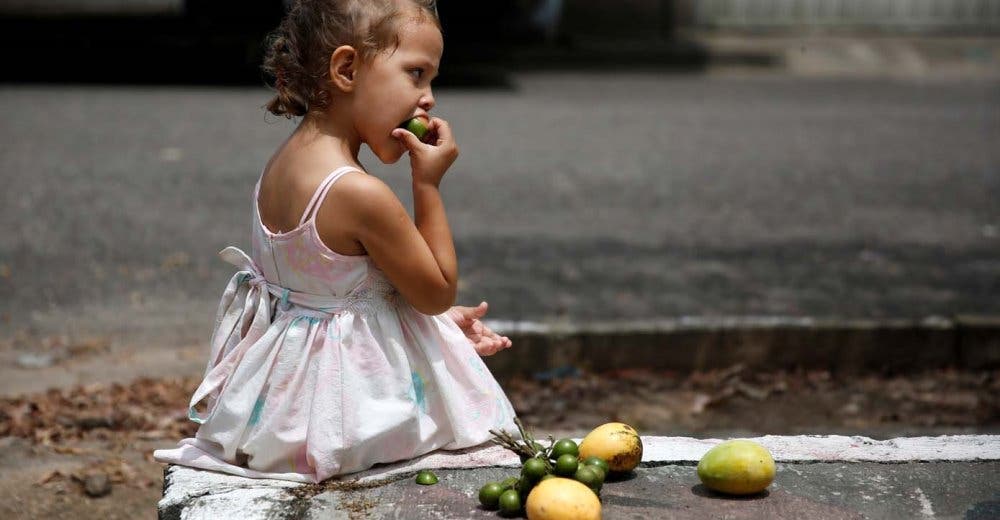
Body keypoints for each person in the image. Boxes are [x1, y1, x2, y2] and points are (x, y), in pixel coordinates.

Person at [154, 0, 517, 483]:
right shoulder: (359, 192)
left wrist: (439, 325)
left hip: (283, 409)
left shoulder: (280, 167)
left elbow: (331, 293)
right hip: (350, 413)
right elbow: (434, 292)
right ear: (346, 69)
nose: (428, 98)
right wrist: (427, 185)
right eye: (416, 74)